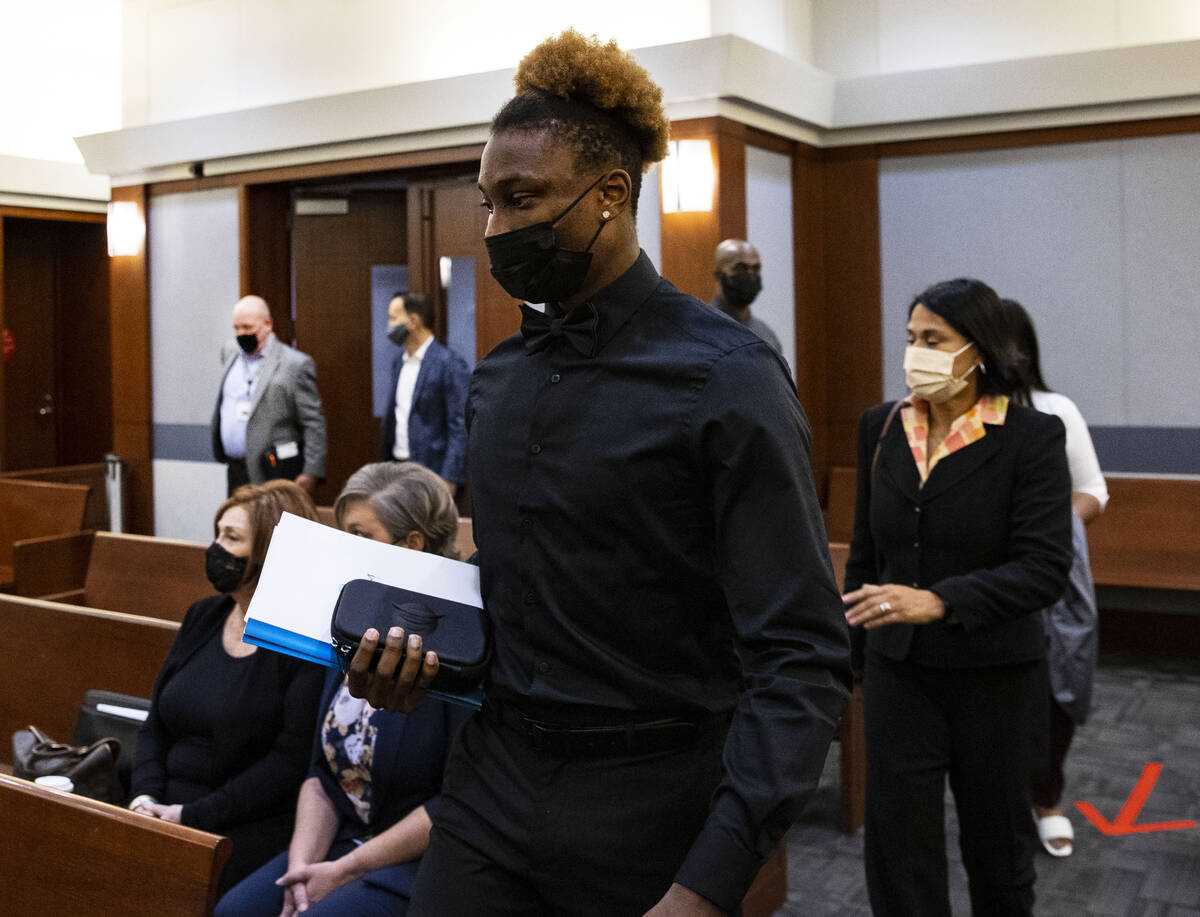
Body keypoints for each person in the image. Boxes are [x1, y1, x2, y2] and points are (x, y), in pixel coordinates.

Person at [347, 30, 850, 917]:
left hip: (651, 798)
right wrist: (416, 663)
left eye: (522, 198)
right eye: (488, 201)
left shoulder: (724, 375)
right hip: (493, 782)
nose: (496, 228)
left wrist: (710, 880)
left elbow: (802, 652)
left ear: (610, 195)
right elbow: (510, 590)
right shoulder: (499, 379)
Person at [842, 277, 1073, 917]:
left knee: (998, 855)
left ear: (978, 350)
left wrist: (939, 600)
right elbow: (867, 553)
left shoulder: (1031, 438)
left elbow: (1044, 569)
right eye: (911, 338)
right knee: (899, 858)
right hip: (899, 675)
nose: (916, 352)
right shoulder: (881, 427)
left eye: (933, 339)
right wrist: (857, 662)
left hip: (995, 677)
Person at [215, 462, 470, 917]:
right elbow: (320, 772)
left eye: (359, 536)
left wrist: (346, 869)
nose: (344, 551)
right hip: (342, 839)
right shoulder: (355, 626)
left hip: (417, 859)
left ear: (412, 545)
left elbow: (453, 804)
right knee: (236, 911)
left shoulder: (456, 655)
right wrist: (301, 870)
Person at [128, 480, 327, 896]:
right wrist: (144, 797)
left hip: (242, 820)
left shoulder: (302, 643)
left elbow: (288, 763)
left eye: (231, 538)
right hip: (159, 807)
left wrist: (189, 816)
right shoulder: (203, 615)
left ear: (271, 552)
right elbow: (155, 724)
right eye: (217, 534)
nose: (216, 549)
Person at [1002, 297, 1109, 858]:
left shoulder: (1054, 409)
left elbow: (1094, 491)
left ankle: (1048, 799)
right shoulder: (951, 414)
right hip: (981, 580)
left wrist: (1044, 522)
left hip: (1051, 575)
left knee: (1053, 693)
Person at [212, 295, 328, 496]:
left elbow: (313, 423)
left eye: (247, 328)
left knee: (270, 526)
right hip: (235, 469)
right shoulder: (230, 352)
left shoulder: (295, 364)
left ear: (267, 324)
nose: (241, 334)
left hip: (274, 470)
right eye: (236, 328)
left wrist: (311, 472)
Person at [379, 292, 470, 495]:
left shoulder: (449, 363)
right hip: (397, 467)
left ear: (413, 321)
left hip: (433, 473)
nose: (389, 325)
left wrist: (450, 478)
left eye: (394, 318)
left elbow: (460, 425)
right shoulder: (398, 363)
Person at [709, 238, 784, 357]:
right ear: (719, 274)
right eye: (740, 268)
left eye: (756, 268)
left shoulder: (766, 336)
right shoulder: (701, 328)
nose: (750, 274)